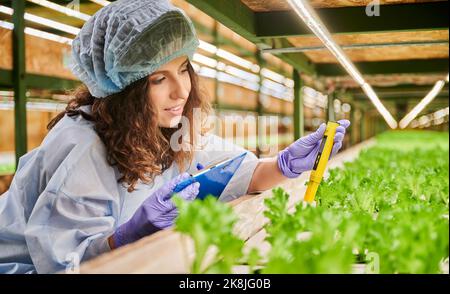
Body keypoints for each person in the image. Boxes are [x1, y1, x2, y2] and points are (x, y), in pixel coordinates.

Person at [0, 0, 350, 274]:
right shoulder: (83, 146)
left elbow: (237, 172)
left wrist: (287, 164)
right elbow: (64, 264)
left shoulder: (166, 127)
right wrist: (127, 235)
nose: (182, 90)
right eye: (158, 79)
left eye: (183, 69)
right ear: (125, 88)